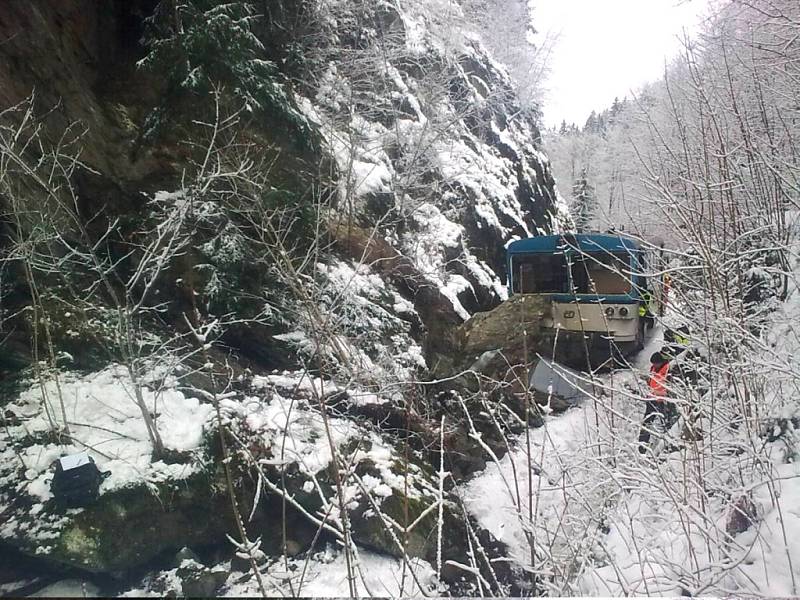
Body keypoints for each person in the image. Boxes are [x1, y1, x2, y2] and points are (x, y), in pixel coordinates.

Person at [637, 349, 679, 453]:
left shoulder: (668, 370)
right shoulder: (654, 369)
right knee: (647, 423)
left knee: (666, 423)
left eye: (656, 364)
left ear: (661, 362)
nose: (654, 366)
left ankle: (668, 446)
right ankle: (642, 446)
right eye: (653, 364)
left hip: (663, 401)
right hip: (651, 399)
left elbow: (670, 386)